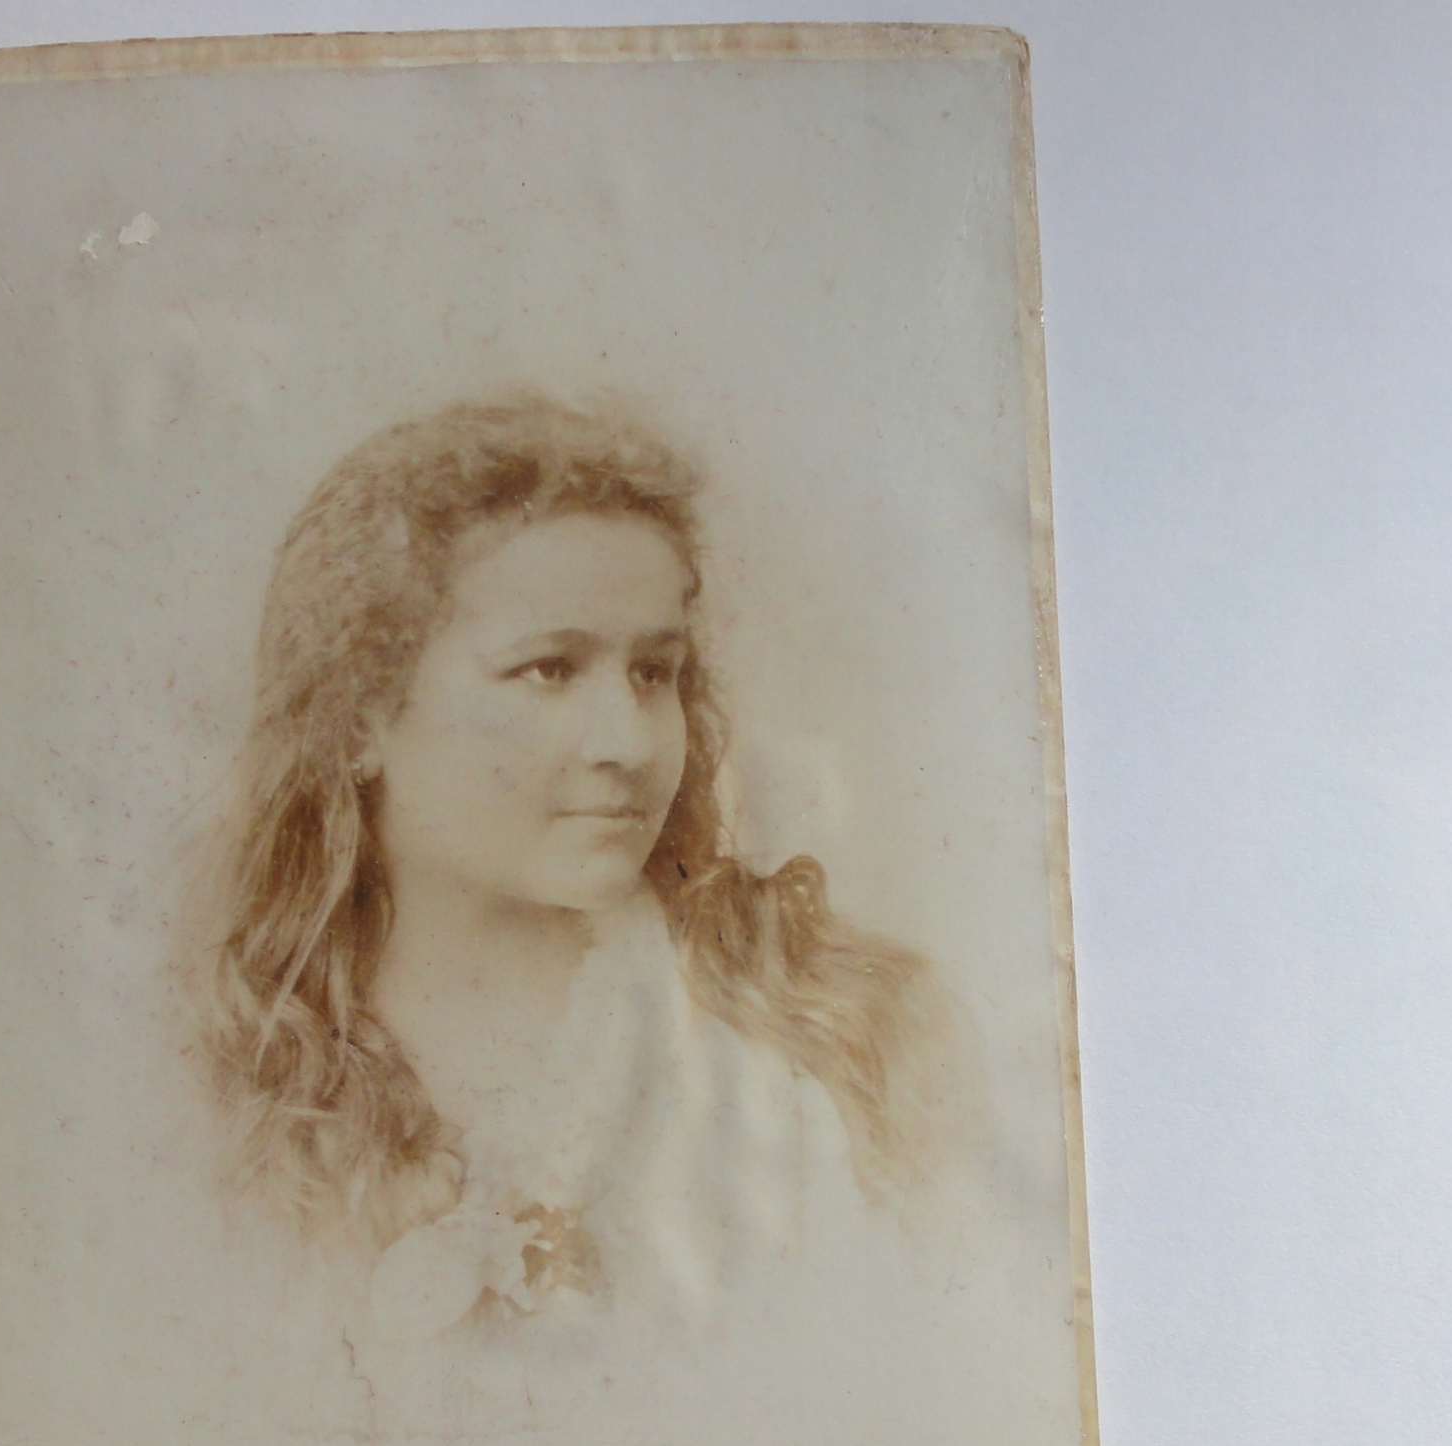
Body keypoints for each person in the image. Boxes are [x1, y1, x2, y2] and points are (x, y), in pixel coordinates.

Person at [193, 395, 959, 1344]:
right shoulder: (231, 1082)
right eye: (550, 670)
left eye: (653, 673)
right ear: (359, 719)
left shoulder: (826, 1037)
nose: (628, 743)